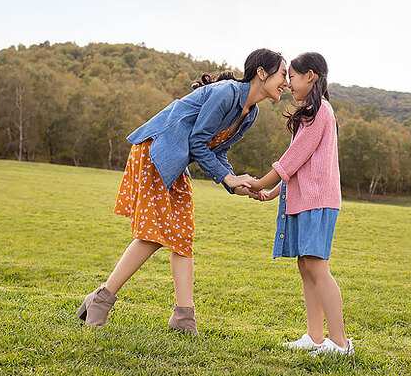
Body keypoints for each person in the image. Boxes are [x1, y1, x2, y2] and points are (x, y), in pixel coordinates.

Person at [77, 48, 288, 335]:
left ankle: (183, 318)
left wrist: (235, 184)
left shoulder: (250, 113)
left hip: (174, 157)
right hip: (156, 149)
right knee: (154, 233)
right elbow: (198, 141)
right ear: (262, 73)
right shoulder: (227, 93)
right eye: (283, 74)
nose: (286, 82)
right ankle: (102, 299)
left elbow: (218, 150)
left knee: (182, 235)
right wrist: (227, 178)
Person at [249, 52, 353, 356]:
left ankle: (340, 344)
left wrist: (260, 182)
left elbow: (293, 159)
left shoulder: (322, 111)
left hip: (318, 202)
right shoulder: (310, 112)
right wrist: (272, 193)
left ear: (311, 76)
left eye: (291, 76)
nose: (288, 83)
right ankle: (315, 336)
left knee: (317, 267)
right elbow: (298, 163)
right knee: (305, 266)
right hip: (304, 200)